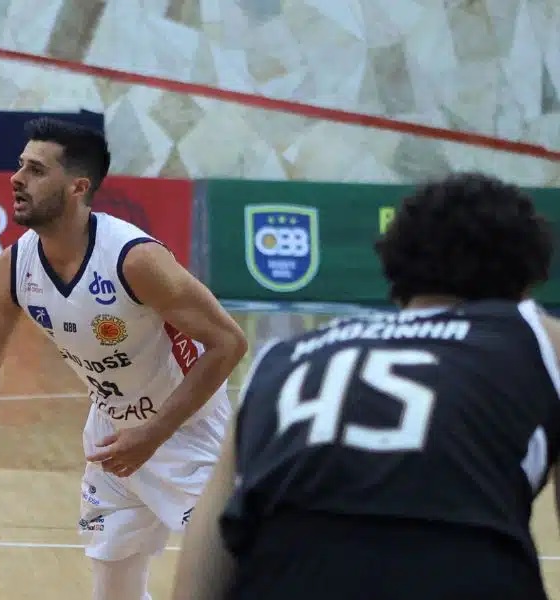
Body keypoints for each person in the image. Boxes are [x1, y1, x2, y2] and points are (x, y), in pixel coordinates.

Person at [0, 117, 249, 600]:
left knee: (231, 580)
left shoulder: (135, 260)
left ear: (78, 186)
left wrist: (155, 432)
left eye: (35, 169)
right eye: (20, 166)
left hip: (189, 433)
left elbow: (229, 342)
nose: (16, 178)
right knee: (112, 590)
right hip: (112, 436)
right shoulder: (14, 266)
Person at [171, 172, 559, 600]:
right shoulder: (540, 337)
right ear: (527, 281)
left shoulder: (281, 359)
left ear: (396, 269)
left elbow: (202, 564)